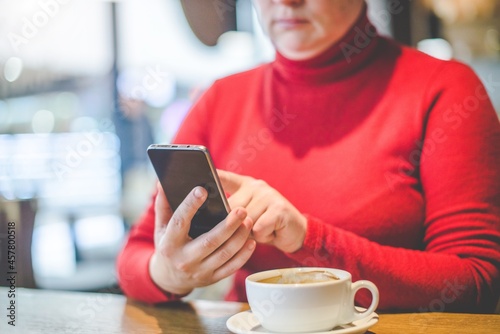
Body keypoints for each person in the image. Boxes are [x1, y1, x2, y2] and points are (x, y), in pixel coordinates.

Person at [116, 0, 500, 313]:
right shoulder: (220, 99)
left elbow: (477, 282)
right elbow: (135, 257)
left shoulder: (444, 90)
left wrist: (307, 237)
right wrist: (168, 273)